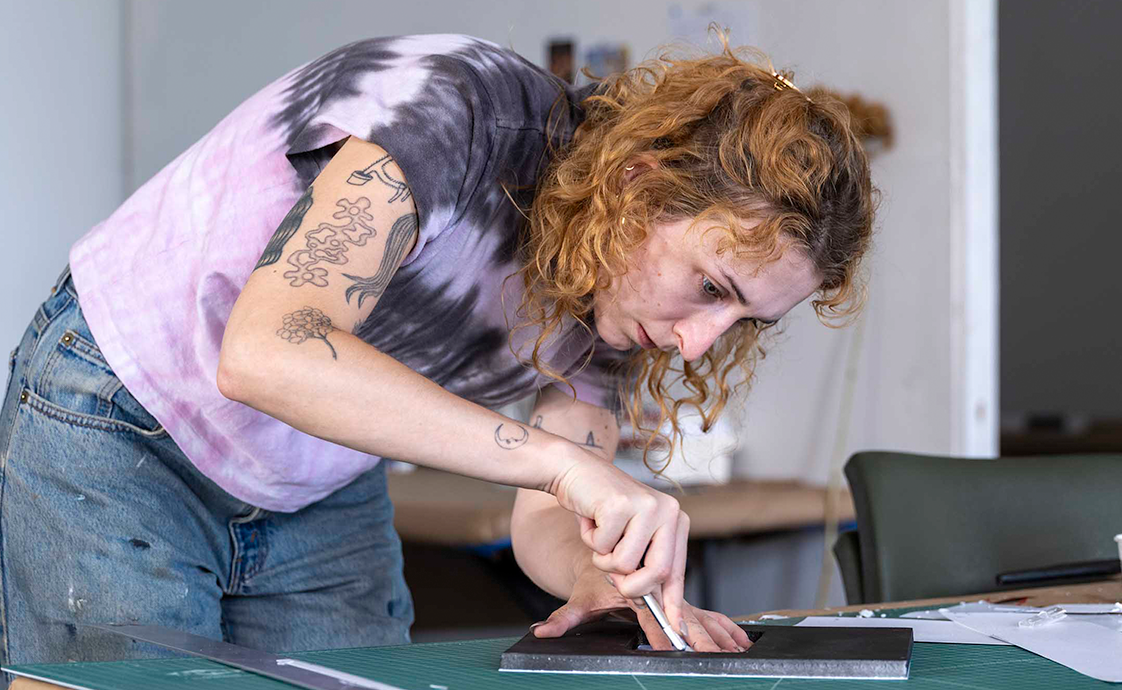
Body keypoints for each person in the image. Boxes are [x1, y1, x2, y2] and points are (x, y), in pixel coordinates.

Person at [0, 32, 874, 665]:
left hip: (316, 475)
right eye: (712, 288)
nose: (696, 344)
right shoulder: (456, 111)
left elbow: (543, 514)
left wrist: (595, 575)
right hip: (122, 418)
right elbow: (265, 352)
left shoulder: (617, 301)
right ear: (640, 186)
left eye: (744, 321)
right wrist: (565, 469)